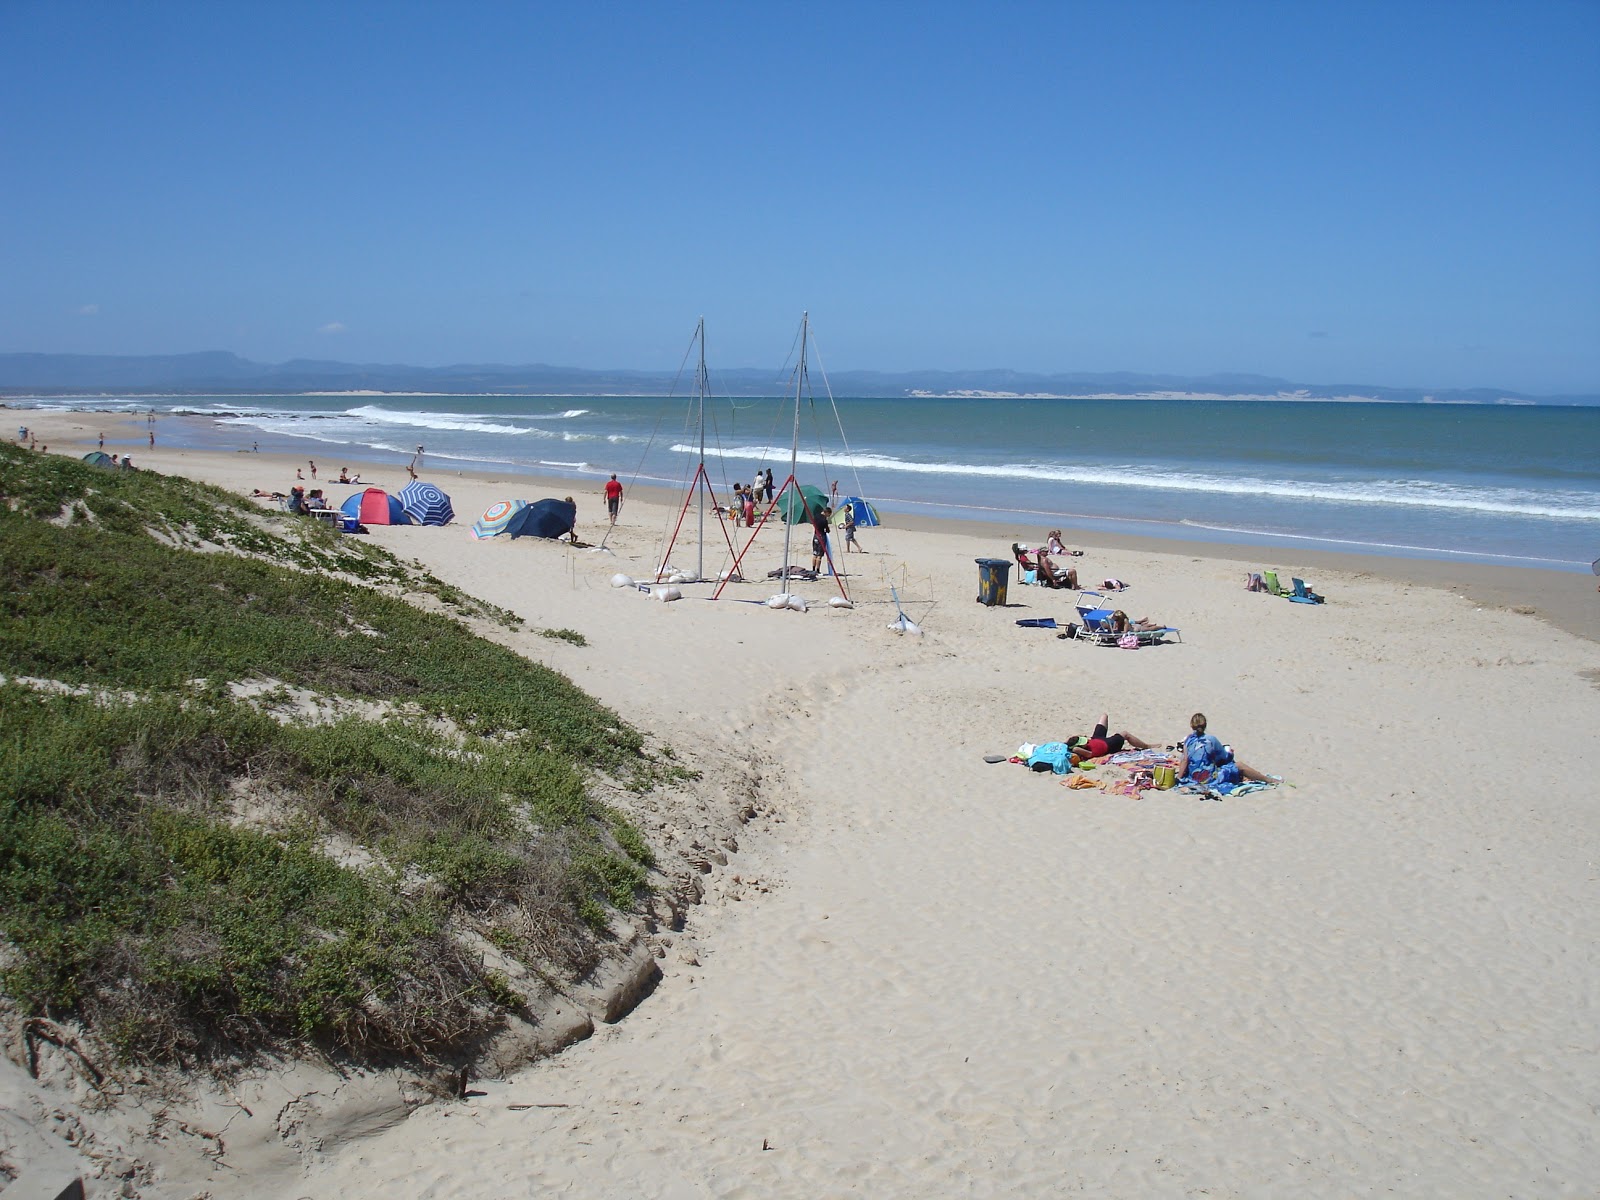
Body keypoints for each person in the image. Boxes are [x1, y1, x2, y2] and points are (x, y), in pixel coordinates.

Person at [1173, 713, 1270, 786]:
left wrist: (1178, 779)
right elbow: (1224, 757)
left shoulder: (1188, 740)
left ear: (1191, 725)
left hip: (1193, 778)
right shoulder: (1211, 740)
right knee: (1239, 765)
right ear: (1205, 725)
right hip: (1209, 779)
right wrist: (1230, 753)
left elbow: (1185, 760)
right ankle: (1268, 780)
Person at [1067, 716, 1152, 763]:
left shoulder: (1085, 744)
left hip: (1096, 738)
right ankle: (1146, 746)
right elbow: (1086, 753)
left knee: (1104, 716)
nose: (1086, 741)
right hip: (1108, 744)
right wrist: (1076, 749)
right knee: (1125, 733)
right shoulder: (1086, 753)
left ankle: (1146, 745)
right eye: (1083, 743)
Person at [810, 503, 832, 574]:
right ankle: (817, 570)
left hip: (815, 535)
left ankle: (813, 569)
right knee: (819, 555)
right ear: (826, 513)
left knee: (815, 553)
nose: (828, 516)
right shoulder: (824, 520)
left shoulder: (816, 516)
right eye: (829, 515)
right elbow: (827, 529)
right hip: (821, 536)